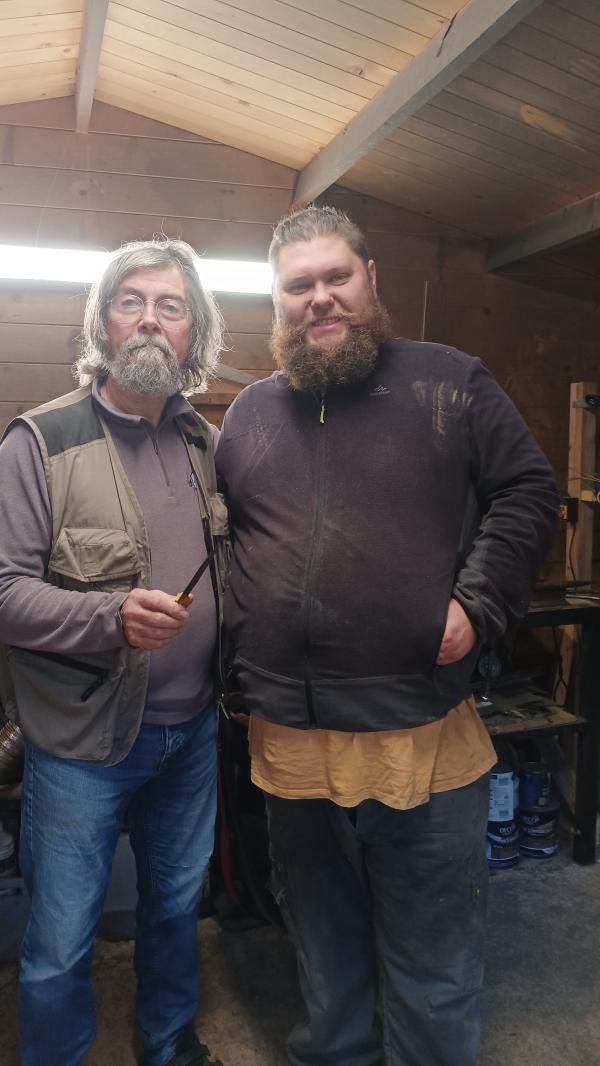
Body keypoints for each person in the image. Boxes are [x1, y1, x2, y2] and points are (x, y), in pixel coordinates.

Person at [215, 206, 558, 1066]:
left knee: (432, 962)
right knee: (323, 951)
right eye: (299, 285)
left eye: (337, 277)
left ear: (371, 280)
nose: (320, 298)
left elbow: (526, 489)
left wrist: (478, 602)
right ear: (276, 300)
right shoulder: (250, 415)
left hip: (420, 739)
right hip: (291, 747)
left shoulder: (450, 381)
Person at [0, 239, 228, 1066]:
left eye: (171, 306)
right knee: (62, 938)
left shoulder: (204, 443)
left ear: (193, 332)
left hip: (193, 734)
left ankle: (168, 1044)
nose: (150, 320)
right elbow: (3, 591)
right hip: (81, 745)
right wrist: (110, 618)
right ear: (102, 321)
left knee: (175, 908)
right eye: (131, 301)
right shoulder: (39, 441)